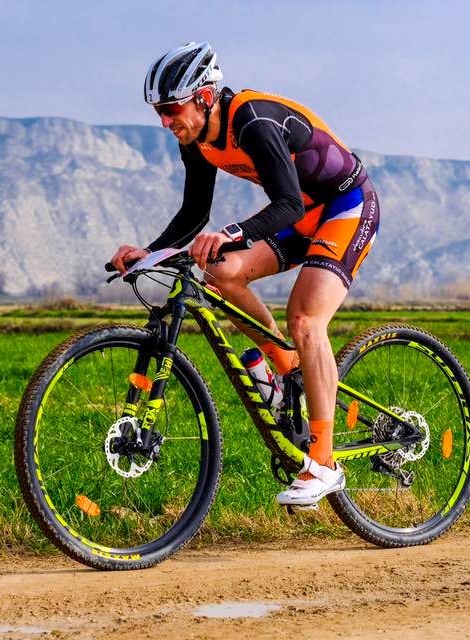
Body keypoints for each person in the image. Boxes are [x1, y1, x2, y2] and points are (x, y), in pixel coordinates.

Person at [110, 42, 380, 508]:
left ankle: (323, 463)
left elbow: (287, 203)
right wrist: (149, 253)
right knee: (221, 272)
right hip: (304, 215)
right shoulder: (197, 139)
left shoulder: (252, 122)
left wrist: (233, 232)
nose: (165, 122)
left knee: (305, 319)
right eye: (158, 112)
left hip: (344, 205)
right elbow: (195, 212)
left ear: (204, 97)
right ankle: (287, 365)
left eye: (171, 110)